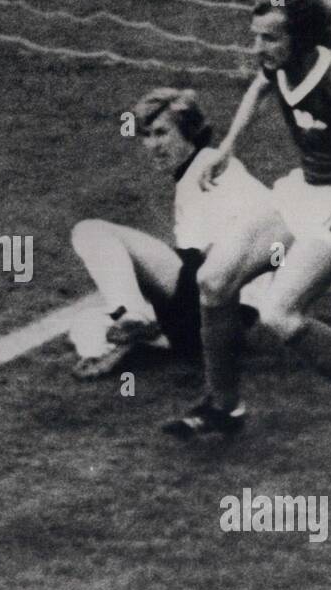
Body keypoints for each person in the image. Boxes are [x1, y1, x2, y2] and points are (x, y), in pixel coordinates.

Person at [162, 0, 331, 469]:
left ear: (302, 38)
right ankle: (224, 408)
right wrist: (228, 146)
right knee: (213, 280)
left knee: (281, 314)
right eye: (255, 36)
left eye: (270, 38)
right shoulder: (278, 65)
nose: (258, 48)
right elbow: (264, 85)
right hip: (305, 187)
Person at [68, 87, 273, 379]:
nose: (152, 144)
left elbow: (221, 254)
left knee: (89, 232)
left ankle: (132, 320)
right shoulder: (200, 172)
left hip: (222, 307)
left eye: (162, 133)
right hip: (222, 321)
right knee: (86, 322)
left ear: (189, 131)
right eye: (146, 135)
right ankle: (128, 333)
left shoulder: (211, 168)